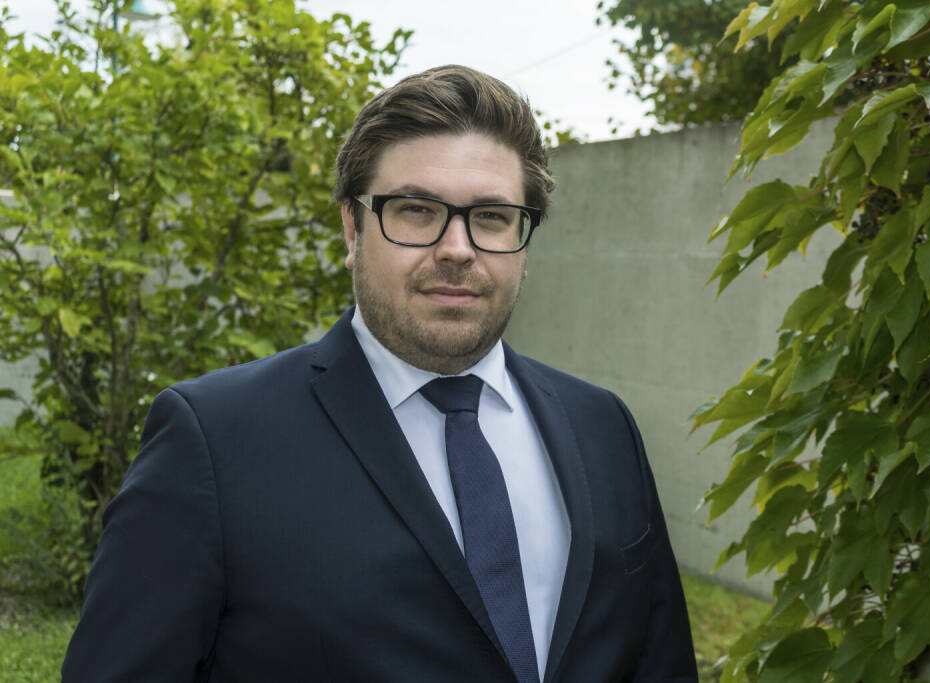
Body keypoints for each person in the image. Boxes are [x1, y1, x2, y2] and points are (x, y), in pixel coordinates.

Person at [63, 65, 698, 682]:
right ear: (352, 227)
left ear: (524, 240)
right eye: (416, 210)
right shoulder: (214, 441)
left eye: (491, 217)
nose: (457, 249)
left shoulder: (603, 427)